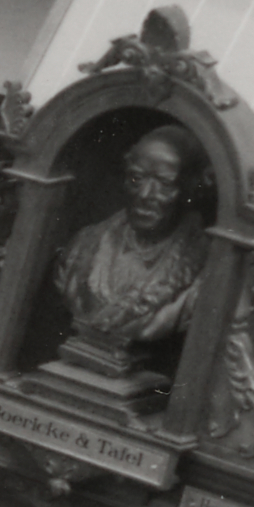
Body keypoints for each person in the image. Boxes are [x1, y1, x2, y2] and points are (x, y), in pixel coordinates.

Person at [46, 114, 214, 375]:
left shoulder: (206, 269)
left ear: (192, 189)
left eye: (165, 184)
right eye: (136, 179)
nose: (145, 195)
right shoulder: (84, 244)